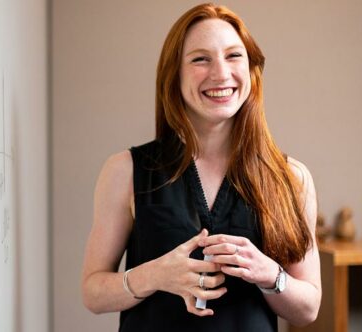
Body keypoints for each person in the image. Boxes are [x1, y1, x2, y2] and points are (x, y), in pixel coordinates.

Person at [81, 3, 321, 331]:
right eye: (200, 59)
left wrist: (269, 274)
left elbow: (308, 309)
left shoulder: (292, 178)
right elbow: (93, 293)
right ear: (174, 76)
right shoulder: (125, 171)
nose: (221, 73)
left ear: (251, 68)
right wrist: (154, 275)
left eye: (234, 56)